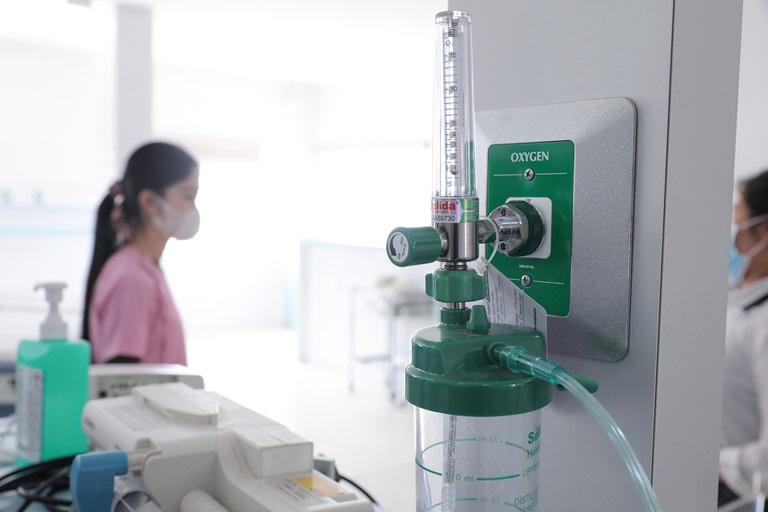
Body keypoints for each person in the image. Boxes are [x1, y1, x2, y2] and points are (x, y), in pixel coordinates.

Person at [82, 141, 199, 365]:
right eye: (188, 196)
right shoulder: (132, 280)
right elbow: (121, 380)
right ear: (149, 202)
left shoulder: (146, 268)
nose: (193, 209)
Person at [720, 169, 768, 508]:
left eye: (739, 221)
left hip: (728, 491)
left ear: (764, 230)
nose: (732, 234)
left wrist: (713, 463)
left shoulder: (763, 323)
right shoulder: (735, 294)